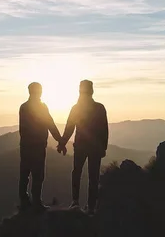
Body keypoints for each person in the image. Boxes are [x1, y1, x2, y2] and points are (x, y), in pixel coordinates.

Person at [58, 80, 108, 215]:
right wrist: (103, 147)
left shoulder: (76, 108)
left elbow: (69, 127)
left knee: (77, 173)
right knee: (93, 176)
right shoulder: (99, 108)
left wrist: (62, 143)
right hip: (95, 147)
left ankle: (75, 202)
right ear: (92, 91)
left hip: (80, 146)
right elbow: (104, 129)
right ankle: (91, 206)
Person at [19, 82, 62, 212]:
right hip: (37, 146)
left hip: (26, 146)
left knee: (25, 173)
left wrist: (60, 140)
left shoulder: (24, 107)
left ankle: (25, 201)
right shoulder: (41, 107)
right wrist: (60, 140)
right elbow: (50, 124)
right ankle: (36, 202)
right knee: (37, 174)